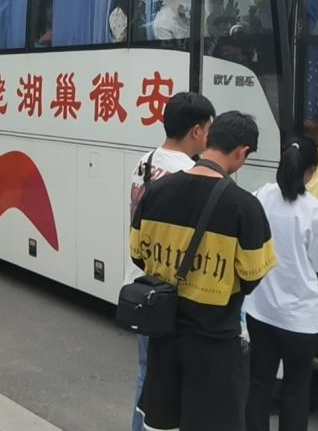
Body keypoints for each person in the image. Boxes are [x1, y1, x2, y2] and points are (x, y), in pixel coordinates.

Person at [132, 111, 276, 431]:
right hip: (215, 346)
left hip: (164, 340)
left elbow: (138, 254)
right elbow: (253, 275)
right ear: (241, 152)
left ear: (208, 139)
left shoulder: (156, 191)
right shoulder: (245, 206)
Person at [126, 92, 216, 431]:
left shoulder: (145, 161)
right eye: (208, 129)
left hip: (141, 285)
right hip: (171, 295)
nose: (209, 137)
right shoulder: (190, 173)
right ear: (196, 130)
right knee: (167, 384)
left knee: (146, 374)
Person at [244, 138, 318, 431]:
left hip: (260, 309)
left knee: (259, 384)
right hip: (299, 317)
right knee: (296, 389)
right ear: (311, 171)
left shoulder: (262, 196)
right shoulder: (313, 209)